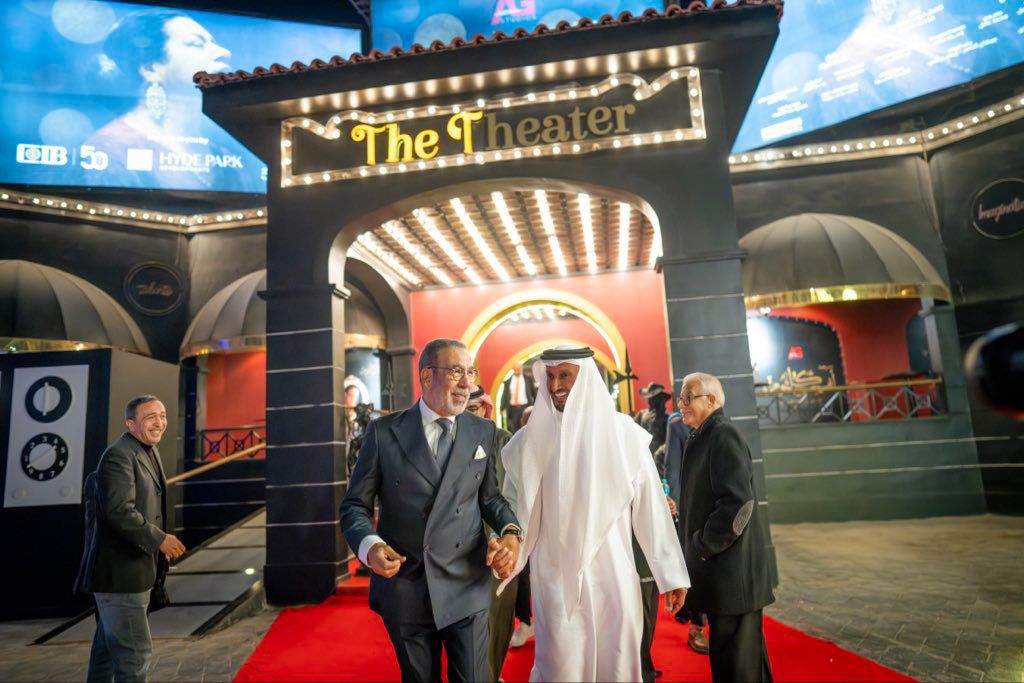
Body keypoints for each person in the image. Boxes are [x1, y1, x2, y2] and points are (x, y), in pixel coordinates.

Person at [499, 345, 689, 681]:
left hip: (613, 572)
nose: (555, 384)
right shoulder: (530, 440)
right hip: (554, 575)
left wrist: (671, 574)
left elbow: (652, 509)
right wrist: (505, 548)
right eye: (550, 376)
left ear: (585, 377)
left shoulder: (624, 434)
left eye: (564, 375)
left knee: (616, 664)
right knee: (560, 667)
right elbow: (512, 508)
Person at [340, 339, 521, 683]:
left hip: (466, 581)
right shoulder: (384, 433)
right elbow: (354, 507)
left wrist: (511, 531)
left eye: (470, 372)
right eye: (456, 372)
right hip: (406, 586)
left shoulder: (482, 431)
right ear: (427, 376)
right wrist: (370, 546)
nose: (467, 383)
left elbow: (491, 499)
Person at [73, 395, 186, 682]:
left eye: (162, 415)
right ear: (131, 424)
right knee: (134, 657)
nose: (159, 422)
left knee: (106, 654)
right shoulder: (118, 456)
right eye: (150, 417)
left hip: (131, 574)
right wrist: (158, 539)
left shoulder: (146, 450)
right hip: (120, 576)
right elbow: (119, 512)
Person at [86, 9, 254, 191]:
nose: (225, 52)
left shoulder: (227, 156)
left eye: (215, 43)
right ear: (151, 68)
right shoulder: (111, 147)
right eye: (196, 44)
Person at [677, 373, 775, 682]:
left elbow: (738, 504)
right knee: (741, 662)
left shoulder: (722, 434)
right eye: (680, 397)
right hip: (724, 575)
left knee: (737, 667)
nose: (680, 404)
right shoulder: (704, 435)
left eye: (687, 397)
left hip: (733, 576)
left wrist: (703, 545)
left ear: (711, 400)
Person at [663, 401, 708, 654]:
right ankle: (697, 627)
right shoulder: (677, 425)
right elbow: (672, 468)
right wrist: (679, 508)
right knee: (695, 565)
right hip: (691, 508)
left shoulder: (720, 425)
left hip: (717, 505)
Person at [636, 382, 671, 454]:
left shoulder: (668, 419)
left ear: (660, 399)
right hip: (643, 455)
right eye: (649, 398)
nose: (649, 400)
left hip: (658, 457)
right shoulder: (641, 415)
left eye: (652, 398)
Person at [500, 362, 535, 432]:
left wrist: (536, 406)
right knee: (513, 429)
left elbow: (534, 393)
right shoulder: (508, 382)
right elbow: (505, 395)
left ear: (522, 368)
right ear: (513, 370)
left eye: (518, 370)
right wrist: (502, 408)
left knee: (526, 428)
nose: (517, 371)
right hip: (512, 409)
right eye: (515, 370)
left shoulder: (528, 380)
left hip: (525, 407)